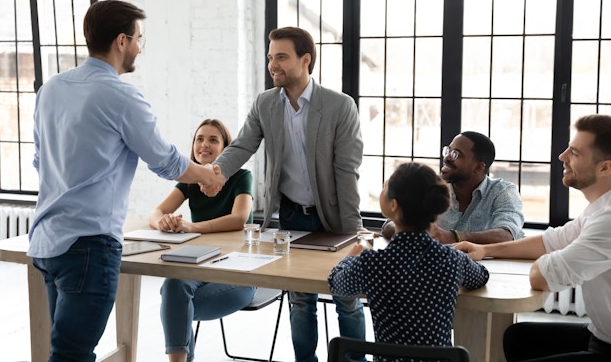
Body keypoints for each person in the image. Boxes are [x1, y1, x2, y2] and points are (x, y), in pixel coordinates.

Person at [28, 0, 220, 362]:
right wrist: (205, 176)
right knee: (71, 354)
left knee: (66, 351)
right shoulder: (120, 95)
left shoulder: (51, 89)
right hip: (88, 245)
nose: (139, 48)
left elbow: (40, 161)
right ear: (121, 41)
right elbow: (166, 161)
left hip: (47, 241)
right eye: (138, 39)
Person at [213, 26, 366, 362]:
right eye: (270, 57)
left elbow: (346, 172)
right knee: (300, 299)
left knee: (347, 297)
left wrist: (353, 229)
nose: (273, 64)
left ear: (305, 60)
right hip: (292, 216)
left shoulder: (340, 106)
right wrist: (215, 174)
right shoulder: (265, 103)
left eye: (281, 57)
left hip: (334, 217)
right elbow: (242, 145)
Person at [455, 114, 611, 361]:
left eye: (575, 153)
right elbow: (550, 241)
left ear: (605, 167)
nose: (562, 157)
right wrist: (483, 250)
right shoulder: (599, 208)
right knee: (518, 337)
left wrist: (553, 259)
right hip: (599, 335)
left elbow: (541, 277)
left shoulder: (608, 221)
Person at [329, 162, 489, 349]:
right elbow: (481, 277)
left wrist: (352, 257)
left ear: (394, 205)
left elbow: (335, 283)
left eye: (385, 187)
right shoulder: (452, 260)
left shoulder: (371, 263)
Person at [149, 119, 256, 362]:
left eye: (213, 140)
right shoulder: (190, 181)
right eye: (199, 139)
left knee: (176, 305)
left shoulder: (241, 177)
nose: (204, 145)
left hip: (240, 271)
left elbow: (239, 218)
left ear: (226, 149)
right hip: (200, 264)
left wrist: (192, 227)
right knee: (173, 285)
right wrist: (164, 222)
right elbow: (156, 213)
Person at [382, 131, 524, 244]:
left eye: (456, 154)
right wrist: (423, 233)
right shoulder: (431, 187)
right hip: (435, 271)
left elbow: (507, 235)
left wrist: (453, 237)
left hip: (489, 271)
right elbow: (389, 226)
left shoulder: (502, 192)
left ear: (478, 167)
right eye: (448, 151)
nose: (447, 158)